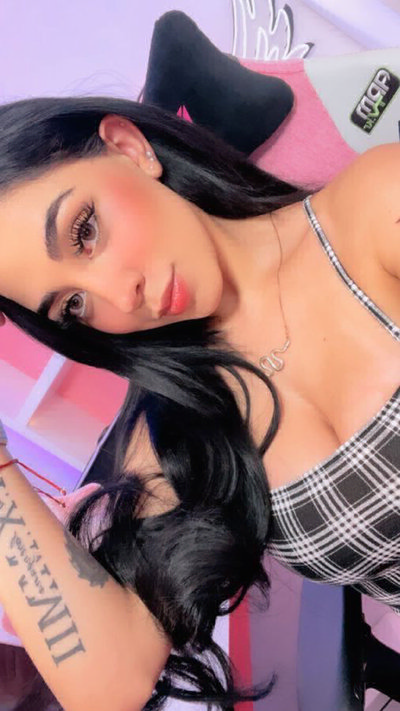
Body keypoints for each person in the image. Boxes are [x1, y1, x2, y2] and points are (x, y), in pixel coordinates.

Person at [0, 93, 398, 711]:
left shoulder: (374, 212)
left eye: (85, 232)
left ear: (130, 150)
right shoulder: (181, 426)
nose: (119, 296)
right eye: (73, 306)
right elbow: (110, 685)